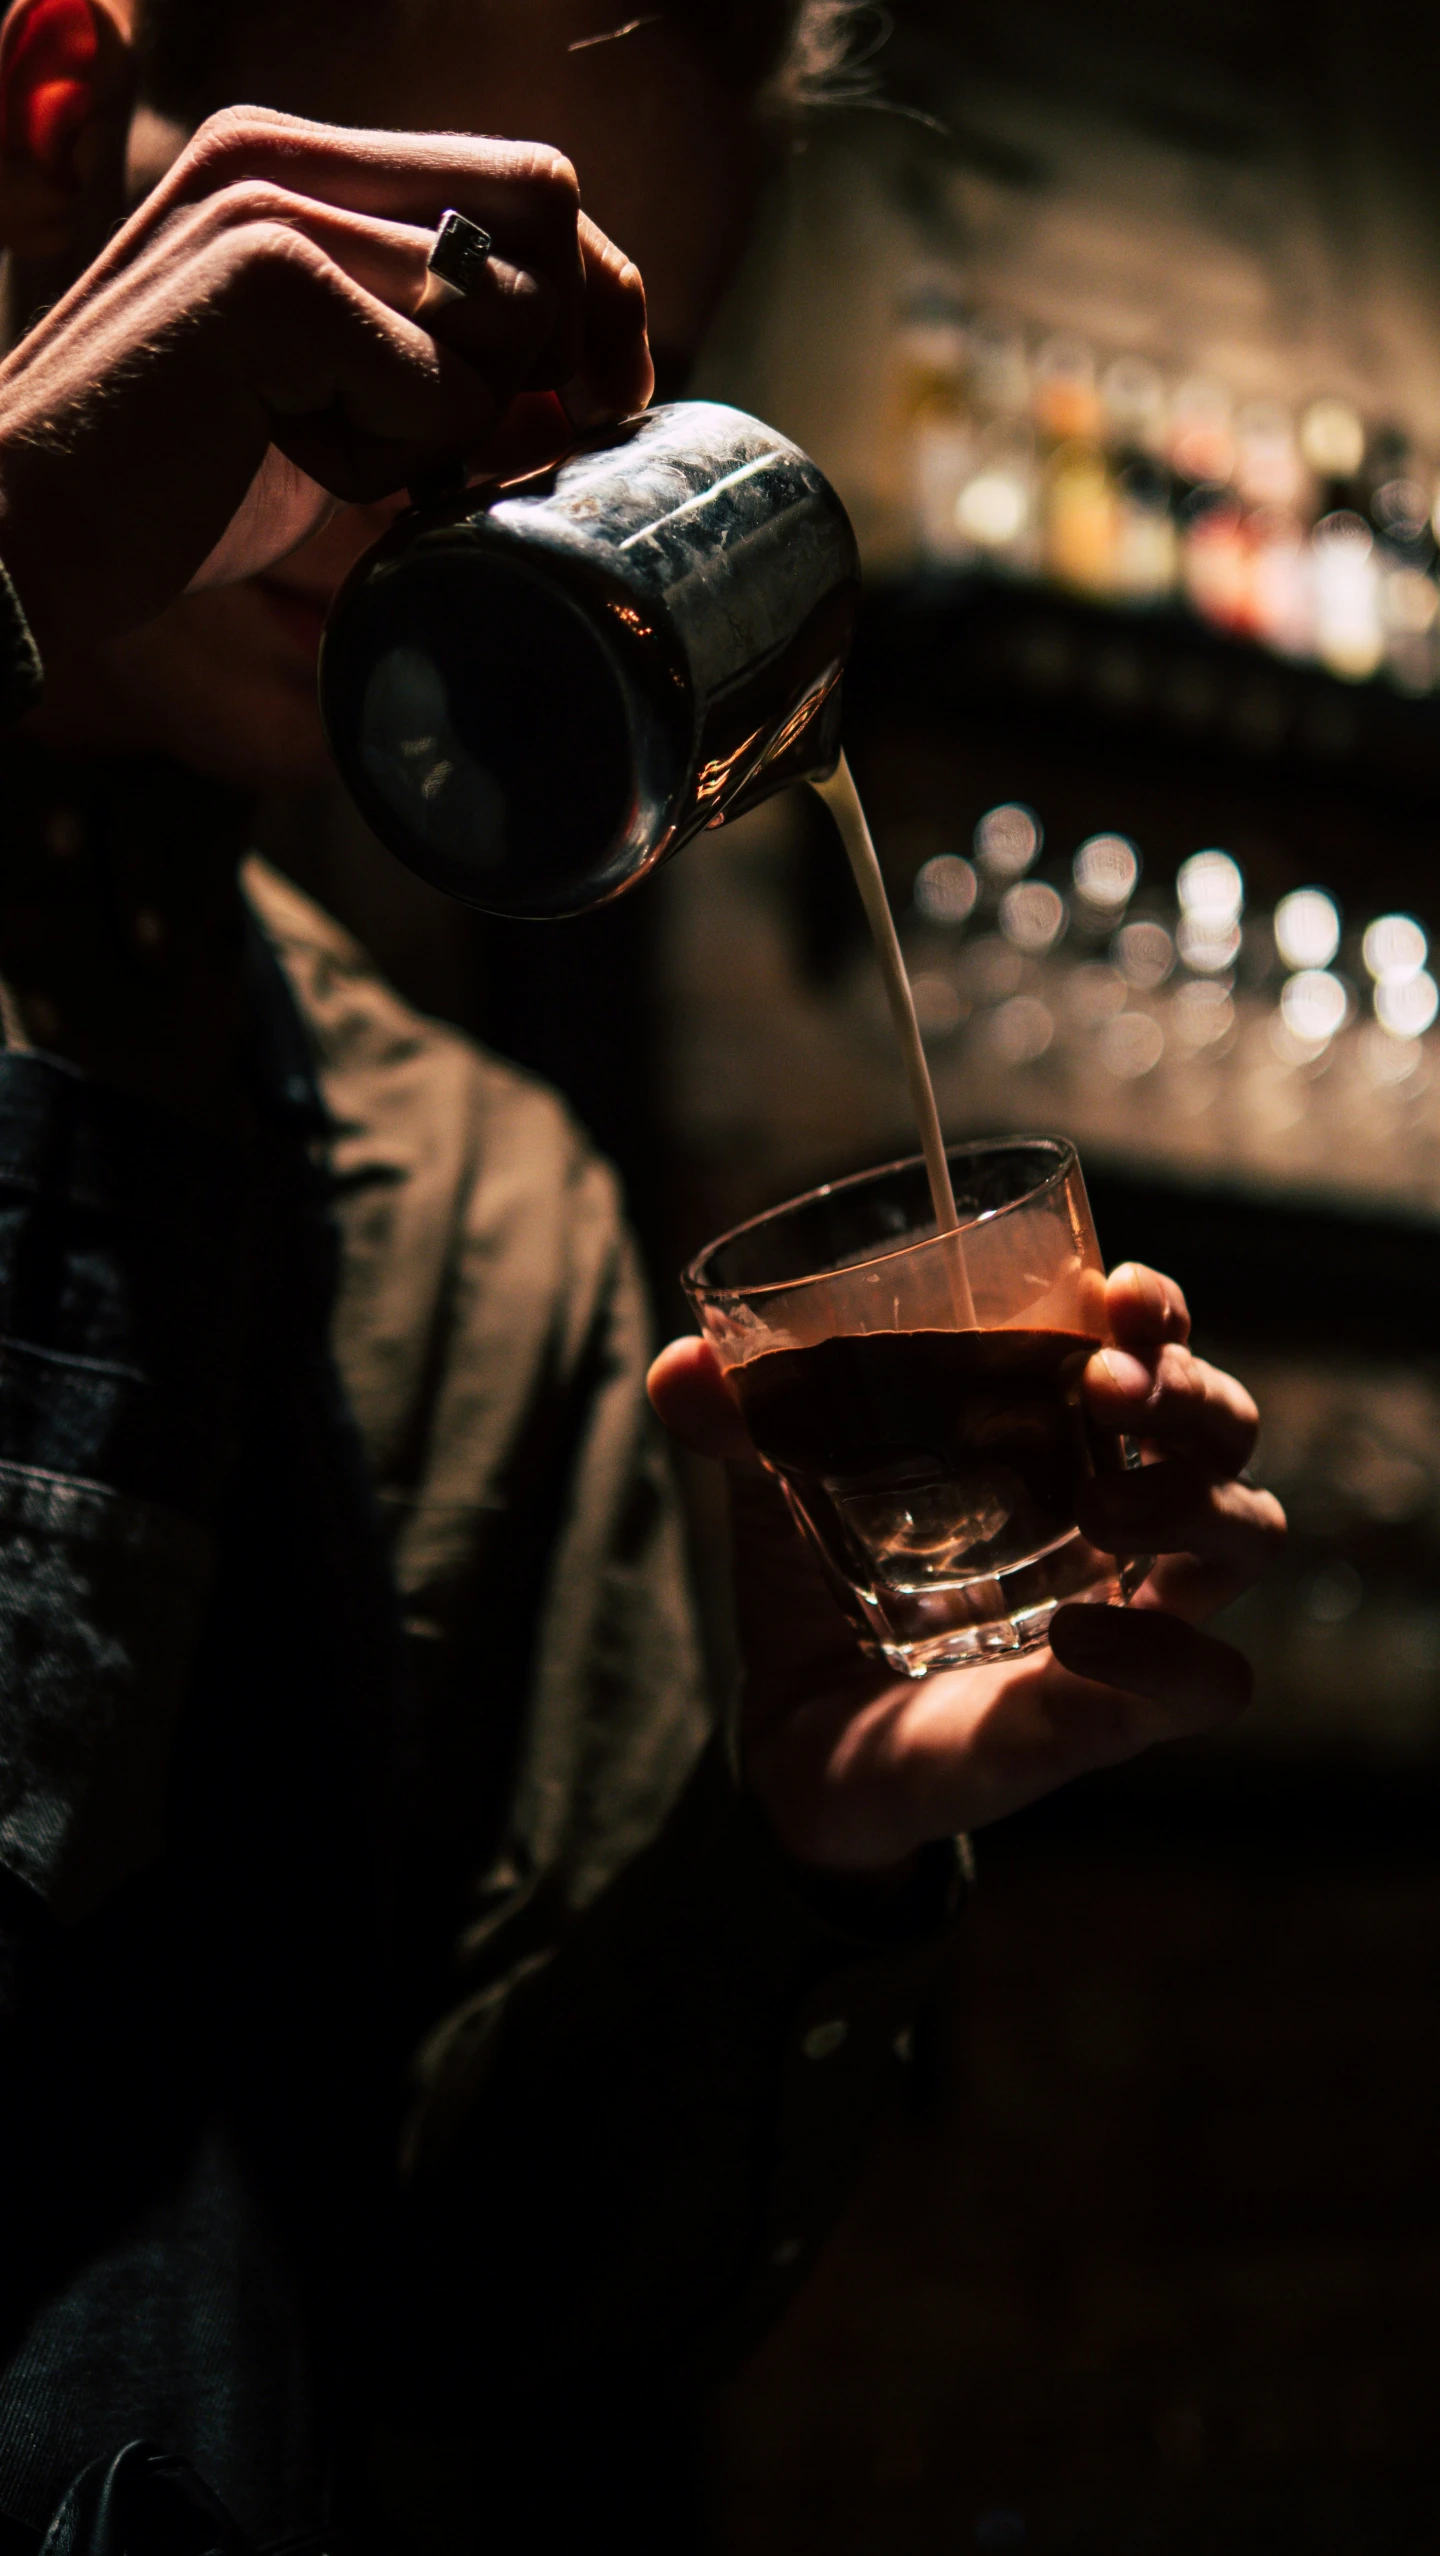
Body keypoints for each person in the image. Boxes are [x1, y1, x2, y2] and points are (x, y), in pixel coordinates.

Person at [0, 0, 1286, 2546]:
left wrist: (794, 1865)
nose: (466, 471)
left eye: (591, 384)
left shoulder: (473, 1198)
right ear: (63, 109)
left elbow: (504, 2318)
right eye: (438, 289)